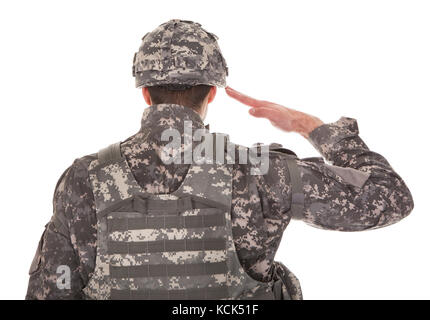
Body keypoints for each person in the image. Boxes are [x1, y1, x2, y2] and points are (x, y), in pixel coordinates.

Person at [26, 19, 414, 300]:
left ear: (145, 93)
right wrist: (311, 126)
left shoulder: (82, 180)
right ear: (212, 93)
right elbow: (391, 197)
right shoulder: (261, 171)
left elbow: (51, 291)